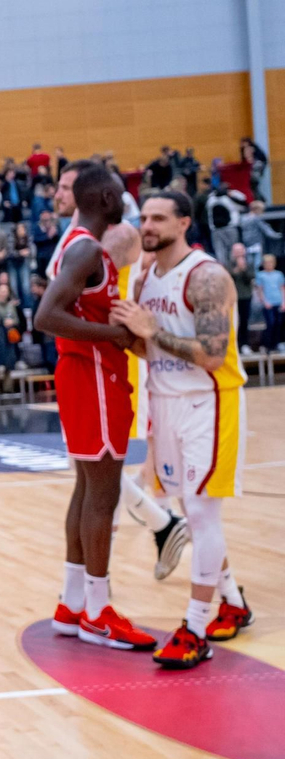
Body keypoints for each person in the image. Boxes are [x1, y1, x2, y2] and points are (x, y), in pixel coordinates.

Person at [110, 192, 252, 669]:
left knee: (201, 511)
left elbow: (212, 353)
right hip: (166, 401)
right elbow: (148, 348)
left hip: (209, 401)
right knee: (191, 514)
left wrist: (151, 332)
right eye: (144, 217)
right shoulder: (146, 274)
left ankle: (194, 629)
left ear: (184, 222)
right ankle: (232, 601)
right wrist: (128, 334)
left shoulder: (207, 275)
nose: (147, 225)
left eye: (158, 218)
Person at [35, 162, 154, 651]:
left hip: (84, 377)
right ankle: (99, 612)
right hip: (95, 377)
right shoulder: (86, 247)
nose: (127, 197)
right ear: (105, 198)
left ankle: (71, 602)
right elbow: (47, 316)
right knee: (102, 496)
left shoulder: (78, 244)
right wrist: (116, 335)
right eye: (121, 191)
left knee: (86, 490)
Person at [0, 276, 23, 393]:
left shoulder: (10, 305)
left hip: (9, 334)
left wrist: (12, 322)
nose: (4, 293)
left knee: (9, 361)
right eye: (2, 291)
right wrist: (4, 320)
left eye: (6, 291)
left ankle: (8, 387)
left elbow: (16, 319)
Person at [226, 242, 254, 351]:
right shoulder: (228, 264)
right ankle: (234, 344)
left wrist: (244, 269)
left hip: (246, 296)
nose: (238, 253)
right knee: (233, 322)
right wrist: (237, 269)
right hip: (232, 297)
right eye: (236, 251)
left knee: (244, 321)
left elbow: (250, 278)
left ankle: (245, 344)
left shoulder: (249, 263)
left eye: (240, 250)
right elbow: (227, 278)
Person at [257, 254, 283, 350]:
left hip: (278, 301)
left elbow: (282, 288)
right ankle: (266, 344)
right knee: (270, 323)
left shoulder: (279, 274)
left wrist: (283, 302)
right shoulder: (261, 275)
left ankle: (276, 344)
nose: (269, 264)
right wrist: (264, 301)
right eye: (267, 262)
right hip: (268, 303)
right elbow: (260, 290)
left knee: (278, 323)